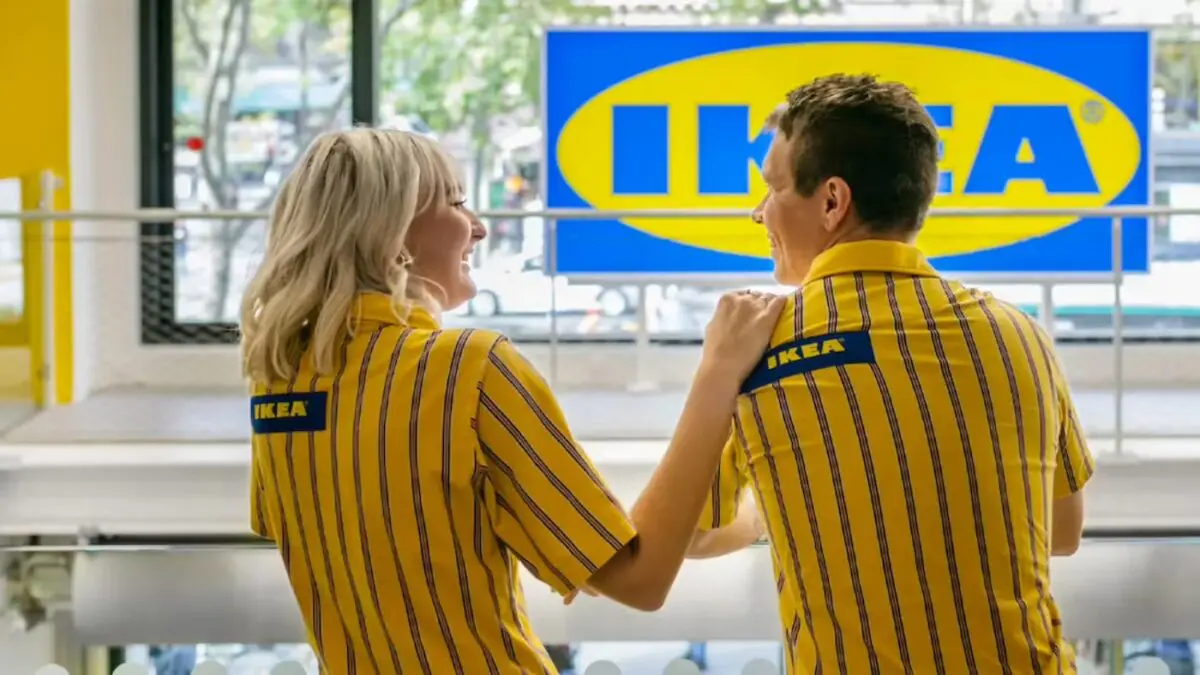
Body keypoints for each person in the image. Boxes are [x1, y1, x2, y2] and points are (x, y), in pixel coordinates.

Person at [237, 128, 786, 674]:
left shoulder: (277, 384)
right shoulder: (466, 368)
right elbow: (637, 578)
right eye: (457, 203)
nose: (478, 227)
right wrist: (719, 374)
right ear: (393, 231)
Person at [683, 74, 1095, 674]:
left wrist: (786, 506)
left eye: (772, 187)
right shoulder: (1020, 335)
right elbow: (1061, 531)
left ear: (832, 201)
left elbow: (691, 533)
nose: (758, 212)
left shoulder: (759, 347)